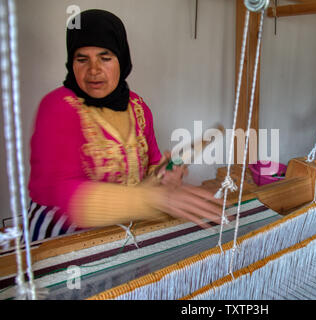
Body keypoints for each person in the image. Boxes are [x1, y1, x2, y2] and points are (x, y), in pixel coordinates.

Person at [27, 9, 222, 242]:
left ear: (122, 58)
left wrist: (164, 175)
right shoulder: (58, 107)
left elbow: (150, 164)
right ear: (71, 62)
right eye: (82, 59)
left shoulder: (137, 107)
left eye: (105, 57)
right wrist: (155, 200)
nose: (94, 70)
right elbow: (67, 195)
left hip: (122, 227)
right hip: (60, 235)